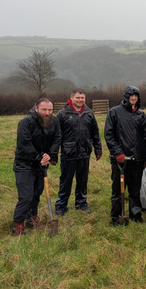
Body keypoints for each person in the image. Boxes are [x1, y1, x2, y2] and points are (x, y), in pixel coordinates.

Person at [11, 98, 61, 236]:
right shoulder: (26, 122)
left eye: (50, 110)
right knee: (26, 196)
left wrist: (50, 156)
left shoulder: (54, 121)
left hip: (42, 165)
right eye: (44, 109)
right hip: (24, 164)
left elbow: (57, 138)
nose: (47, 112)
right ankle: (18, 225)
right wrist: (40, 158)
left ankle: (32, 218)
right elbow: (24, 144)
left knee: (36, 195)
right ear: (36, 109)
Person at [104, 86, 146, 225]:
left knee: (135, 190)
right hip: (121, 159)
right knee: (118, 190)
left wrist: (143, 157)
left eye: (136, 96)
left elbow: (143, 137)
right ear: (126, 97)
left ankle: (135, 214)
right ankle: (116, 216)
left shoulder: (141, 115)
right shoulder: (114, 112)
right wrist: (118, 153)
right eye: (131, 95)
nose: (133, 98)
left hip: (137, 159)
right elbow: (109, 135)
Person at [54, 88, 102, 216]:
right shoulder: (62, 114)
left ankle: (81, 204)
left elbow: (95, 134)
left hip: (84, 153)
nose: (80, 100)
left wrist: (98, 150)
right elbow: (56, 136)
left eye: (82, 98)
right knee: (66, 181)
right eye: (78, 98)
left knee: (82, 181)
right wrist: (53, 153)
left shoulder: (89, 113)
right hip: (68, 154)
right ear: (71, 98)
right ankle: (61, 206)